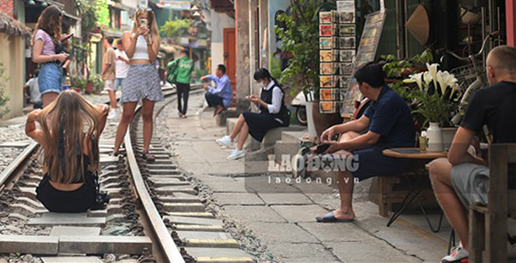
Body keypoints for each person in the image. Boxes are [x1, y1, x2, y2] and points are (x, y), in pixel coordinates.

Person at [427, 45, 516, 263]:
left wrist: (476, 160)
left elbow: (455, 156)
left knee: (437, 168)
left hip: (505, 190)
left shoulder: (484, 96)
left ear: (490, 71)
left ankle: (468, 246)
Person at [315, 62, 417, 223]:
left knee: (343, 161)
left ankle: (346, 211)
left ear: (366, 86)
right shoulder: (379, 97)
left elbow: (371, 138)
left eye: (359, 85)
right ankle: (344, 155)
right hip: (383, 147)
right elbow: (361, 123)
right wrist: (336, 128)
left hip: (395, 155)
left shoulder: (387, 102)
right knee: (347, 134)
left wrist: (339, 146)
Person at [25, 90, 111, 213]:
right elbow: (104, 109)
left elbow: (29, 131)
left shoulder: (49, 138)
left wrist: (31, 118)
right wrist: (86, 108)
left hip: (51, 201)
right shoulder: (87, 140)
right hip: (82, 202)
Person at [112, 8, 163, 161]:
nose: (142, 21)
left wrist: (147, 40)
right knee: (127, 114)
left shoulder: (155, 36)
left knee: (147, 115)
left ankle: (146, 150)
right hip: (134, 72)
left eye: (145, 18)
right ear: (136, 19)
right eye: (140, 18)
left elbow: (153, 58)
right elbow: (129, 53)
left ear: (150, 20)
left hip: (149, 72)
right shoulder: (128, 35)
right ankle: (115, 149)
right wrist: (136, 37)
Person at [217, 68, 290, 159]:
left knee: (244, 115)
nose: (260, 83)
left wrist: (260, 101)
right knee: (245, 123)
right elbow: (262, 108)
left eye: (260, 81)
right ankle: (238, 150)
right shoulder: (263, 88)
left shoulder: (275, 89)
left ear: (265, 78)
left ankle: (230, 138)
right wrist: (256, 102)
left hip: (277, 118)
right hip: (266, 115)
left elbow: (275, 109)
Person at [32, 6, 69, 107]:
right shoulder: (41, 34)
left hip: (56, 70)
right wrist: (55, 57)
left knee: (55, 108)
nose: (58, 24)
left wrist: (59, 41)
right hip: (48, 71)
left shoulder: (48, 35)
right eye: (58, 21)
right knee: (50, 109)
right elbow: (36, 57)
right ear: (52, 19)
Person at [169, 49, 195, 118]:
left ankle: (180, 111)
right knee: (185, 98)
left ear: (183, 54)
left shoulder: (179, 60)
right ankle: (184, 113)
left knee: (179, 97)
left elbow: (169, 65)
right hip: (186, 82)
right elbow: (191, 70)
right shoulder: (191, 62)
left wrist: (178, 60)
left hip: (179, 81)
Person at [102, 36, 118, 121]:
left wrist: (102, 72)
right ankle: (113, 110)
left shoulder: (109, 51)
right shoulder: (112, 51)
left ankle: (114, 110)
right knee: (111, 92)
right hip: (111, 74)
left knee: (111, 93)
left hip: (109, 75)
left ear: (106, 41)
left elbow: (107, 63)